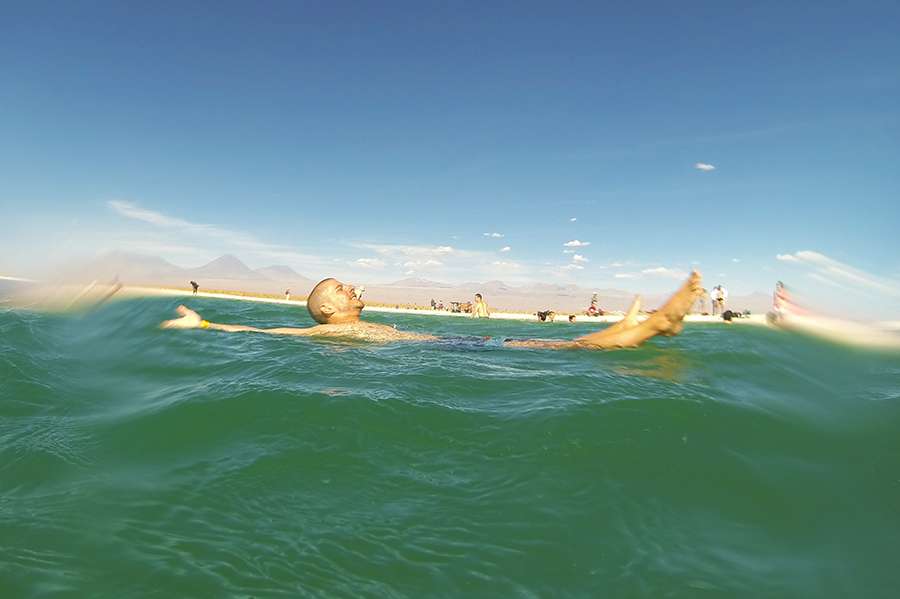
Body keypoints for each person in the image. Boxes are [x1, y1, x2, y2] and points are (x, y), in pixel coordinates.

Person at [162, 272, 703, 350]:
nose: (354, 288)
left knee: (546, 347)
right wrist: (206, 323)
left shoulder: (341, 329)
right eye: (342, 288)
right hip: (455, 352)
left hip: (450, 349)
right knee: (553, 347)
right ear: (327, 311)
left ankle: (649, 326)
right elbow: (263, 328)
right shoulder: (320, 336)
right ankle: (651, 325)